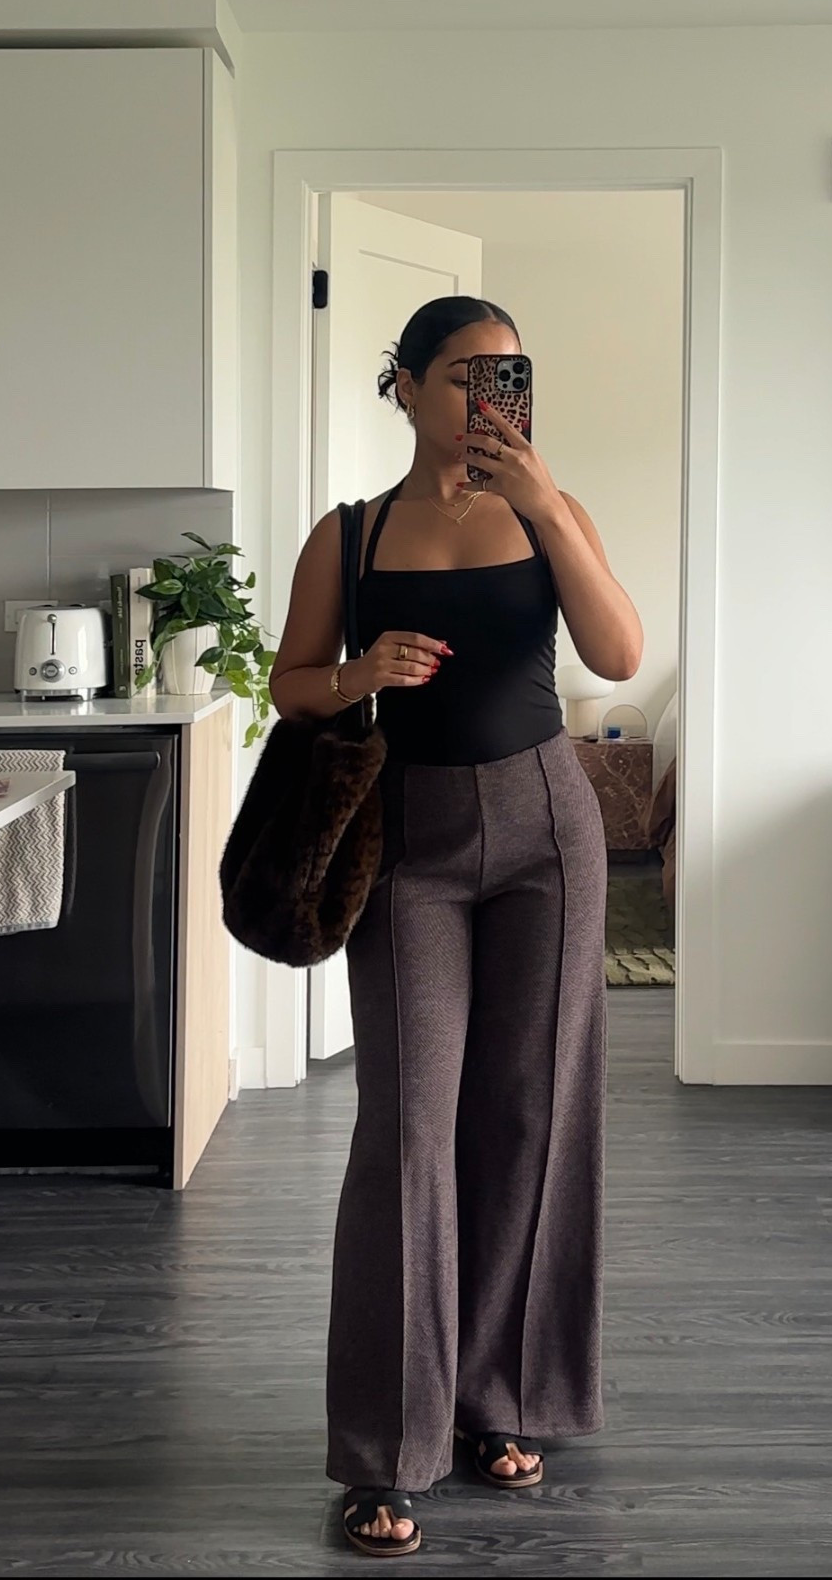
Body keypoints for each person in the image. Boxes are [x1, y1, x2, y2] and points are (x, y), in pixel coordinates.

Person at [270, 295, 643, 1559]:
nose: (494, 397)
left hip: (547, 829)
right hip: (406, 840)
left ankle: (501, 1397)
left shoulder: (548, 509)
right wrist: (360, 673)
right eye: (468, 375)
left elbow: (617, 652)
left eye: (511, 375)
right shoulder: (350, 533)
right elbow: (292, 683)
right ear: (407, 386)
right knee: (407, 1125)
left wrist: (545, 506)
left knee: (531, 1115)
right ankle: (386, 1449)